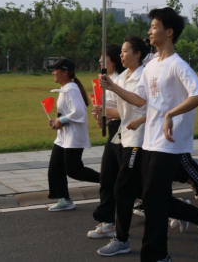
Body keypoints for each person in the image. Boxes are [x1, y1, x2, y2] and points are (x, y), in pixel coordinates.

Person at [100, 7, 198, 262]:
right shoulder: (152, 65)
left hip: (171, 143)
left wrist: (170, 115)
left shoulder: (178, 65)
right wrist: (114, 88)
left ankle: (156, 255)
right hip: (150, 141)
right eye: (151, 26)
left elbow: (197, 94)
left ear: (169, 32)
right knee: (154, 198)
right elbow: (141, 100)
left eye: (154, 27)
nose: (150, 31)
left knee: (153, 200)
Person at [95, 37, 148, 256]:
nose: (121, 55)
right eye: (121, 51)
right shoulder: (125, 76)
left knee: (123, 189)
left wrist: (114, 87)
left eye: (125, 51)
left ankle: (121, 239)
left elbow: (140, 102)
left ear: (137, 54)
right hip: (125, 137)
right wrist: (104, 115)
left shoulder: (143, 75)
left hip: (140, 139)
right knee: (144, 190)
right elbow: (125, 111)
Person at [46, 58, 100, 212]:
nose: (53, 73)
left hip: (73, 138)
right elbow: (70, 113)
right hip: (64, 137)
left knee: (74, 170)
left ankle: (110, 181)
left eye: (55, 70)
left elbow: (79, 112)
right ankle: (65, 199)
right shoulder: (67, 88)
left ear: (65, 72)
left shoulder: (71, 89)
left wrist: (61, 120)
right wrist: (57, 121)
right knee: (56, 167)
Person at [88, 44, 125, 239]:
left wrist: (105, 113)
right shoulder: (106, 81)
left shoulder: (121, 81)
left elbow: (128, 112)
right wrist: (101, 115)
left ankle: (174, 208)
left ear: (115, 60)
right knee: (107, 177)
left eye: (104, 58)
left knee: (131, 183)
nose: (101, 61)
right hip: (113, 132)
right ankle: (108, 221)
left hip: (125, 132)